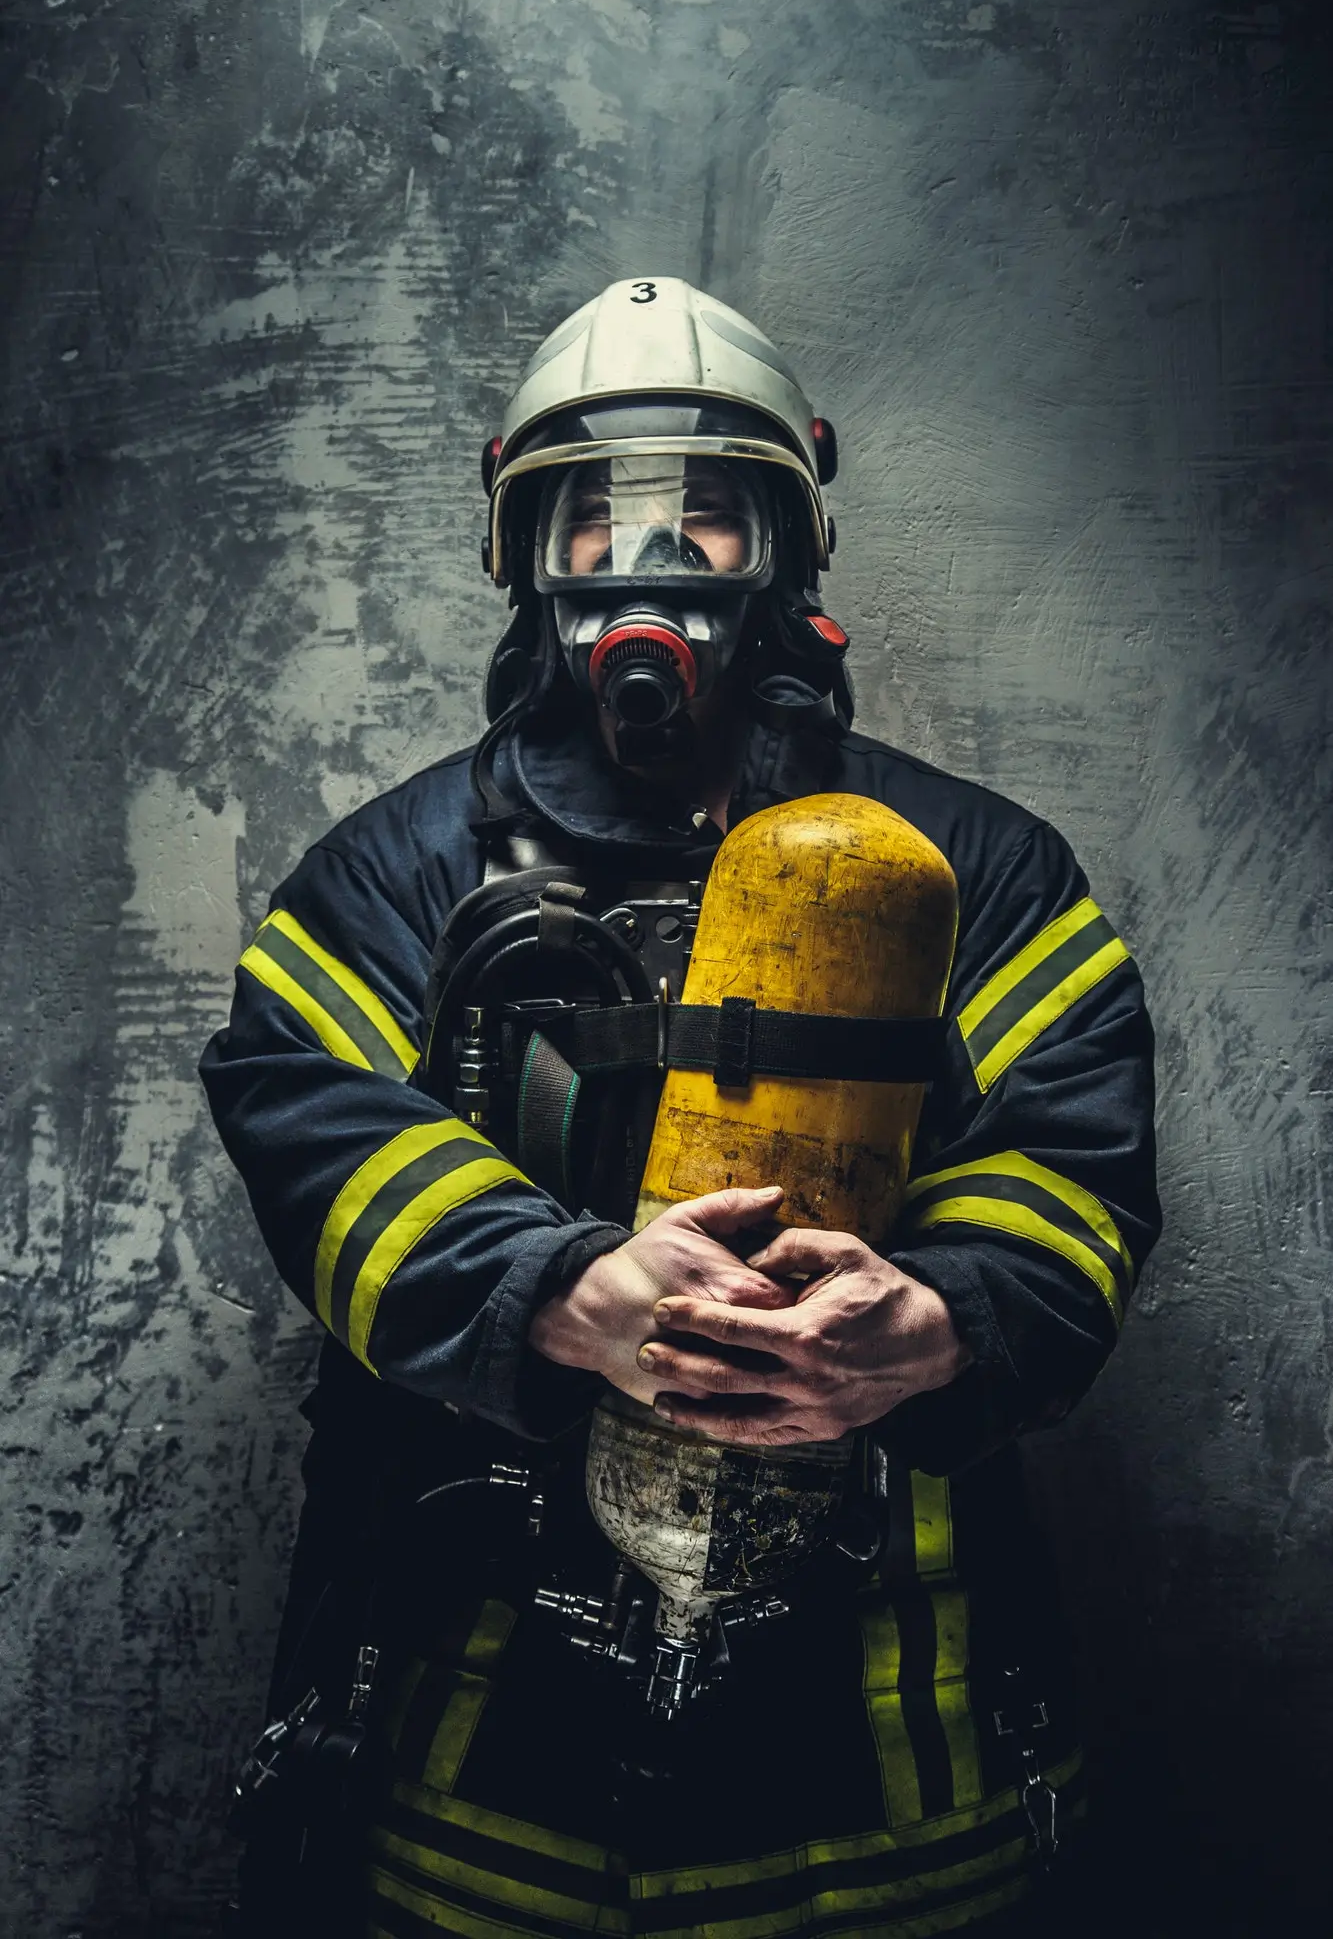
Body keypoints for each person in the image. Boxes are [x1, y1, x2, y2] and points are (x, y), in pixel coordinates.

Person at [200, 276, 1159, 1937]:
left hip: (899, 1780)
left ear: (786, 548)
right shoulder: (392, 875)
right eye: (594, 517)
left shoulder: (975, 873)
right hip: (476, 1761)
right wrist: (557, 1293)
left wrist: (938, 1323)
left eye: (703, 512)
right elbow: (307, 1123)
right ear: (527, 550)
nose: (645, 560)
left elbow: (1073, 1151)